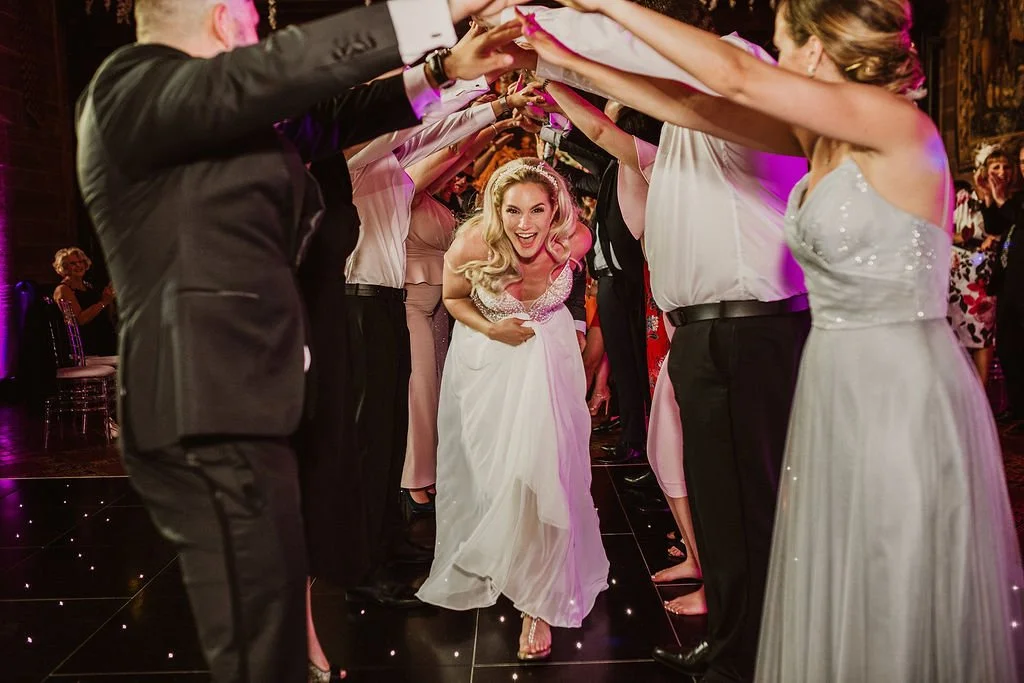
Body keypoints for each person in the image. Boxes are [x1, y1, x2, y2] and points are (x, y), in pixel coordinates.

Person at [529, 0, 1024, 680]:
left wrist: (606, 3)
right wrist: (548, 56)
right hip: (831, 379)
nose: (775, 61)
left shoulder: (895, 123)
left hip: (894, 387)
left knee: (887, 577)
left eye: (784, 47)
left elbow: (734, 77)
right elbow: (685, 106)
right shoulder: (819, 141)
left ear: (817, 52)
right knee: (836, 577)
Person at [74, 0, 529, 681]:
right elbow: (283, 73)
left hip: (252, 402)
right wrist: (446, 6)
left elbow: (330, 117)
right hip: (205, 408)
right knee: (261, 644)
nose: (262, 33)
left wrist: (443, 68)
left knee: (275, 625)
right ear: (227, 19)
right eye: (256, 22)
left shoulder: (212, 119)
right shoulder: (129, 87)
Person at [516, 6, 810, 680]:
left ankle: (764, 653)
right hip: (709, 331)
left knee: (750, 507)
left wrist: (544, 40)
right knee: (723, 507)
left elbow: (643, 66)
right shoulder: (681, 132)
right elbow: (605, 126)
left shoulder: (740, 96)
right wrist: (548, 78)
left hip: (747, 325)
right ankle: (736, 641)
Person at [416, 158, 608, 660]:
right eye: (513, 210)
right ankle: (505, 559)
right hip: (489, 360)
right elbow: (455, 299)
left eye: (537, 210)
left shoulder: (574, 240)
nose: (525, 224)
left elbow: (584, 275)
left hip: (550, 363)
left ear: (555, 211)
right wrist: (493, 327)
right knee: (498, 476)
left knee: (545, 470)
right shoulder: (473, 242)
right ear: (496, 209)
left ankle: (538, 604)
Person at [52, 247, 117, 356]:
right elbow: (79, 320)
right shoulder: (63, 289)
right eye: (73, 263)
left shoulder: (88, 286)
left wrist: (109, 299)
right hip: (86, 348)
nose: (79, 265)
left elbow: (105, 316)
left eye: (81, 262)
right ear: (64, 267)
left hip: (103, 340)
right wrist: (103, 302)